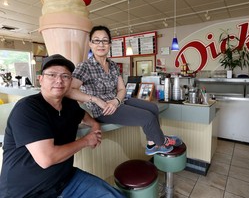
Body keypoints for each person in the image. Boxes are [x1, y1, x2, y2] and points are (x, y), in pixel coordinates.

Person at [0, 54, 125, 198]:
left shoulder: (69, 105)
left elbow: (83, 116)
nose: (59, 80)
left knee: (113, 195)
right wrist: (86, 141)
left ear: (71, 81)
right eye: (52, 75)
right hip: (25, 192)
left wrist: (95, 125)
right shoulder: (28, 108)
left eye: (65, 76)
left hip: (64, 181)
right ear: (40, 79)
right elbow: (47, 158)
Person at [66, 25, 182, 156]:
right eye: (96, 40)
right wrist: (96, 100)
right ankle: (161, 142)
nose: (101, 44)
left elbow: (122, 89)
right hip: (104, 110)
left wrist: (116, 100)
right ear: (90, 44)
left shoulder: (113, 65)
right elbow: (70, 90)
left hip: (119, 102)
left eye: (105, 40)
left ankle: (152, 144)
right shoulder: (85, 66)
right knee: (148, 118)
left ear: (110, 44)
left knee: (153, 108)